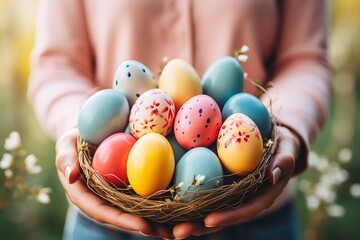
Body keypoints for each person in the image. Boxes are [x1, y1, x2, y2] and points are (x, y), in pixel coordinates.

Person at [28, 0, 332, 239]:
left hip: (256, 214)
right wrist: (79, 125)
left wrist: (286, 127)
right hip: (109, 224)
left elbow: (305, 59)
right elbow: (57, 64)